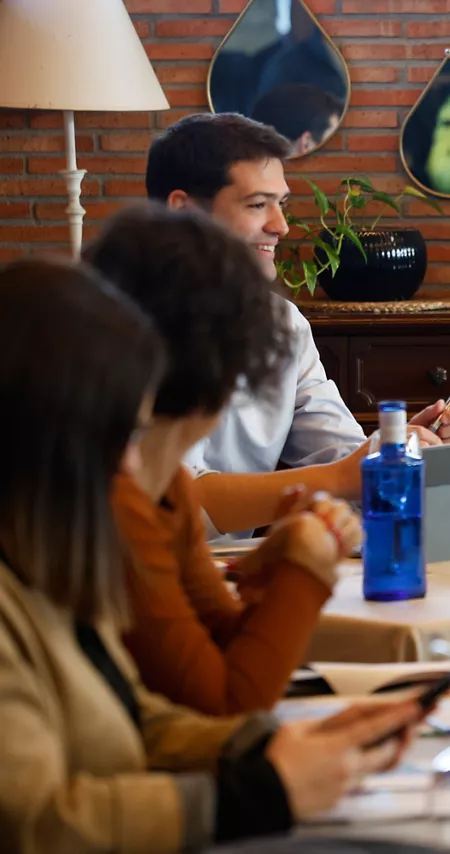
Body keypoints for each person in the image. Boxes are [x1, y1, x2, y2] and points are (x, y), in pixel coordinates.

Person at [0, 258, 431, 853]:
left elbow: (135, 715)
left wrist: (268, 746)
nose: (130, 467)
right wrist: (264, 789)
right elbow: (38, 825)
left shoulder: (42, 549)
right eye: (117, 438)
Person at [84, 205, 358, 716]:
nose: (281, 221)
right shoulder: (116, 500)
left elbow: (217, 638)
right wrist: (305, 568)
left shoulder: (167, 491)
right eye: (259, 203)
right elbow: (227, 700)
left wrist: (270, 567)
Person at [144, 113, 450, 537]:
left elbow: (340, 460)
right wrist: (345, 475)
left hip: (228, 579)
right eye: (258, 204)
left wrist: (393, 456)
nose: (280, 226)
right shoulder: (109, 327)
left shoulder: (282, 323)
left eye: (281, 203)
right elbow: (162, 500)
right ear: (183, 211)